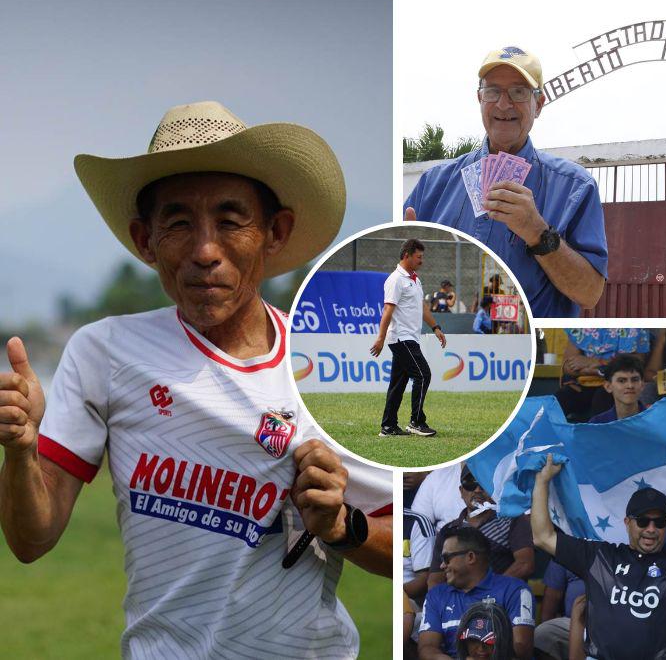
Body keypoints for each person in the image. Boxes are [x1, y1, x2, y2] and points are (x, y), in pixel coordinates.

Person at [0, 101, 393, 657]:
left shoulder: (326, 371)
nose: (205, 251)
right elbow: (30, 540)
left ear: (274, 232)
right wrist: (19, 452)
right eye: (179, 223)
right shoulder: (105, 352)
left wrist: (340, 526)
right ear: (145, 240)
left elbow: (404, 542)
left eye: (231, 221)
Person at [403, 47, 607, 317]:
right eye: (493, 91)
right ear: (479, 98)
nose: (503, 104)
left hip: (519, 349)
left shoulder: (575, 187)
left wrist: (538, 233)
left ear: (539, 103)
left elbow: (590, 294)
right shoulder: (434, 184)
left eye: (519, 92)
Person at [529, 457, 666, 660]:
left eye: (660, 522)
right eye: (643, 521)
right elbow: (543, 537)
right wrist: (542, 480)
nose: (651, 529)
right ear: (628, 523)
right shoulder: (600, 556)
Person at [418, 525, 535, 660]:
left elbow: (521, 650)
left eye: (446, 558)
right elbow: (427, 648)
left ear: (471, 557)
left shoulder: (515, 590)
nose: (442, 565)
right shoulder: (436, 595)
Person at [371, 238, 448, 437]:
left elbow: (422, 307)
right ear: (407, 255)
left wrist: (435, 327)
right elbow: (388, 310)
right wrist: (380, 338)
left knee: (398, 383)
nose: (422, 261)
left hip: (410, 337)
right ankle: (416, 422)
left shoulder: (415, 279)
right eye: (419, 257)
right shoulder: (396, 280)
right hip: (400, 338)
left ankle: (388, 426)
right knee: (423, 375)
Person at [428, 467, 535, 588]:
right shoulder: (448, 530)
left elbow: (525, 564)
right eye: (470, 484)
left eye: (484, 483)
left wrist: (488, 593)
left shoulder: (513, 519)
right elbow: (435, 580)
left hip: (500, 602)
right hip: (458, 603)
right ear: (461, 491)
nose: (478, 490)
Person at [556, 329, 650, 422]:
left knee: (602, 399)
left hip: (616, 383)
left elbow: (634, 365)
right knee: (557, 401)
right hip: (585, 383)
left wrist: (596, 363)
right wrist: (595, 370)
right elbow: (568, 366)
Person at [588, 354, 646, 423]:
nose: (630, 386)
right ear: (608, 386)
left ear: (642, 385)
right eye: (622, 381)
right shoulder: (597, 424)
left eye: (635, 380)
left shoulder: (655, 420)